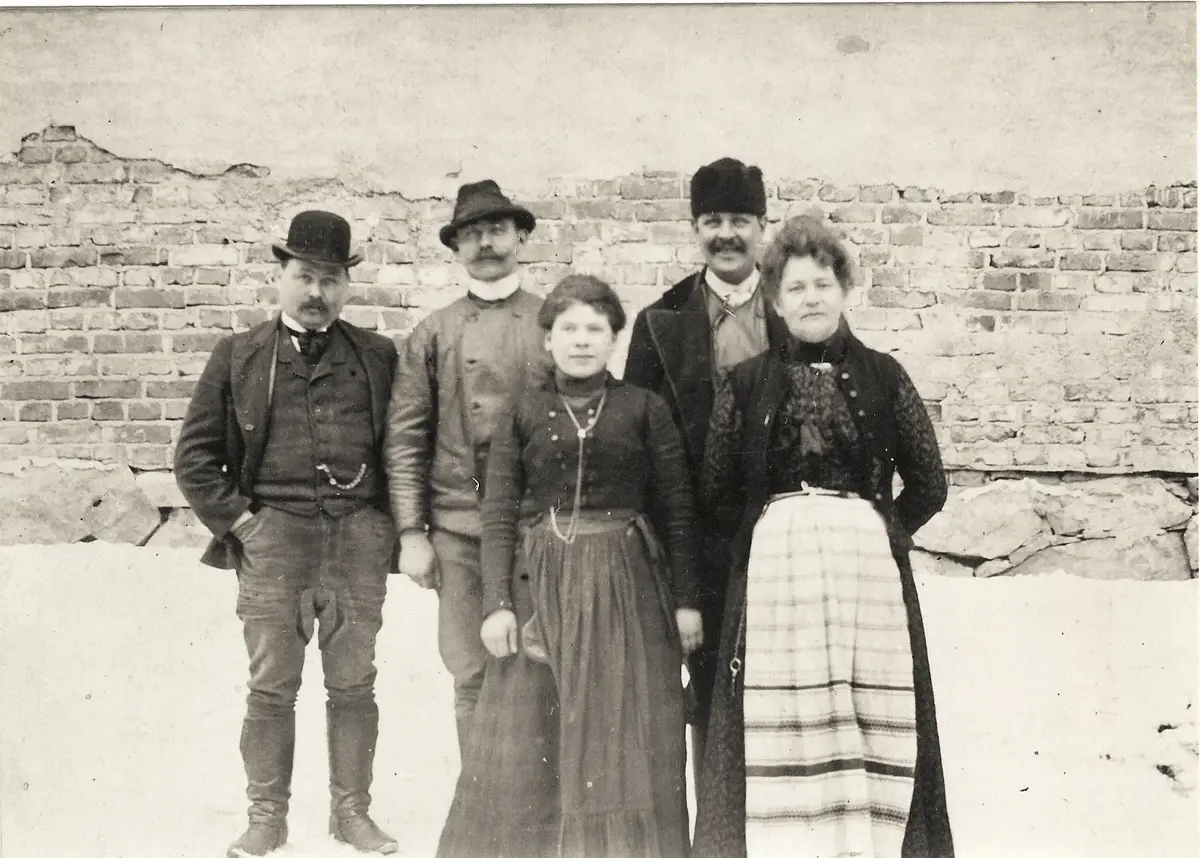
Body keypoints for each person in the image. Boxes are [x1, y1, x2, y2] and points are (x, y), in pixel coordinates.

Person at [691, 216, 955, 858]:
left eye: (822, 284)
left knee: (873, 716)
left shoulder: (885, 376)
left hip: (867, 580)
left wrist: (878, 531)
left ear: (844, 290)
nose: (811, 298)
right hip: (777, 580)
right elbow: (718, 491)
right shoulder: (746, 382)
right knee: (780, 719)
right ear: (776, 302)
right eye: (795, 288)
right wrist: (767, 541)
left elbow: (929, 483)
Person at [438, 275, 703, 858]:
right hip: (545, 586)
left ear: (613, 339)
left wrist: (687, 601)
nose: (581, 340)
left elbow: (678, 508)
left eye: (595, 329)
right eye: (568, 328)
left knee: (624, 727)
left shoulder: (645, 408)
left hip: (627, 585)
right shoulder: (524, 411)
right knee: (535, 727)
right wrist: (497, 605)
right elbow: (499, 511)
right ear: (548, 339)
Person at [174, 211, 400, 857]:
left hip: (357, 540)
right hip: (274, 542)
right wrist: (245, 523)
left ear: (347, 284)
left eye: (330, 279)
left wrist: (383, 526)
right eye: (304, 276)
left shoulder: (378, 356)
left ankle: (352, 815)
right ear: (281, 276)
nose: (316, 292)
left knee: (354, 683)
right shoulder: (239, 355)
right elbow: (194, 457)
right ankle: (266, 818)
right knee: (272, 687)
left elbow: (405, 447)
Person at [383, 179, 554, 757]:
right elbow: (405, 439)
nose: (485, 244)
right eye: (472, 234)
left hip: (535, 526)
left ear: (521, 237)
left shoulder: (553, 323)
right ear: (456, 248)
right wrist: (412, 533)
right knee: (471, 671)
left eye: (497, 230)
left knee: (538, 664)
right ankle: (478, 799)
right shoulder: (433, 333)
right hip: (458, 528)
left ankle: (537, 799)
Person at [624, 157, 774, 766]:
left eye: (740, 220)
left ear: (762, 226)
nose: (726, 235)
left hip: (777, 535)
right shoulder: (660, 321)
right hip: (697, 542)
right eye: (712, 221)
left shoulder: (795, 311)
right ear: (694, 229)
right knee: (709, 691)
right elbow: (636, 445)